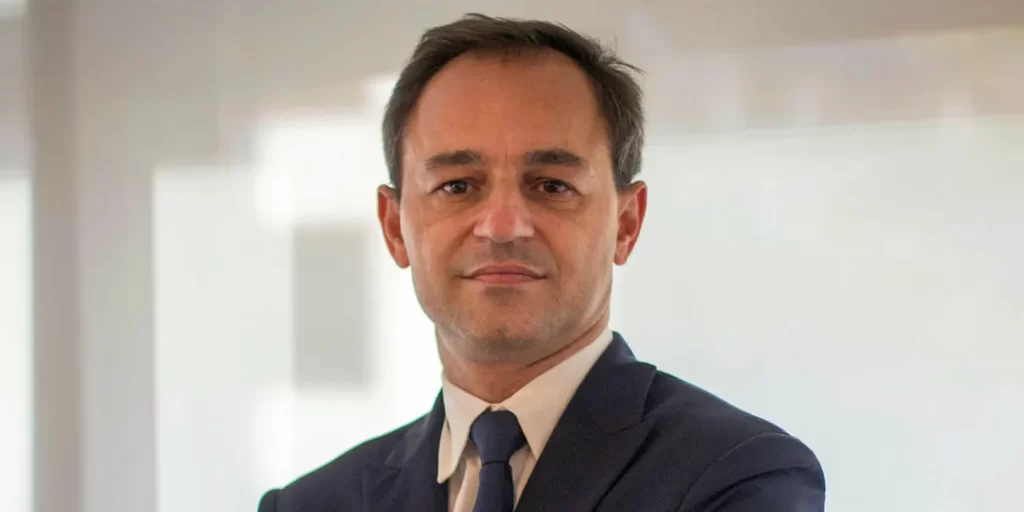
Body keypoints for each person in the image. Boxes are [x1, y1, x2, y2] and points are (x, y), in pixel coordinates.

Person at [258, 13, 826, 512]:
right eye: (457, 186)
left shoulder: (738, 475)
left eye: (552, 185)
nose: (503, 225)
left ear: (626, 224)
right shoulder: (310, 505)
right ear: (393, 227)